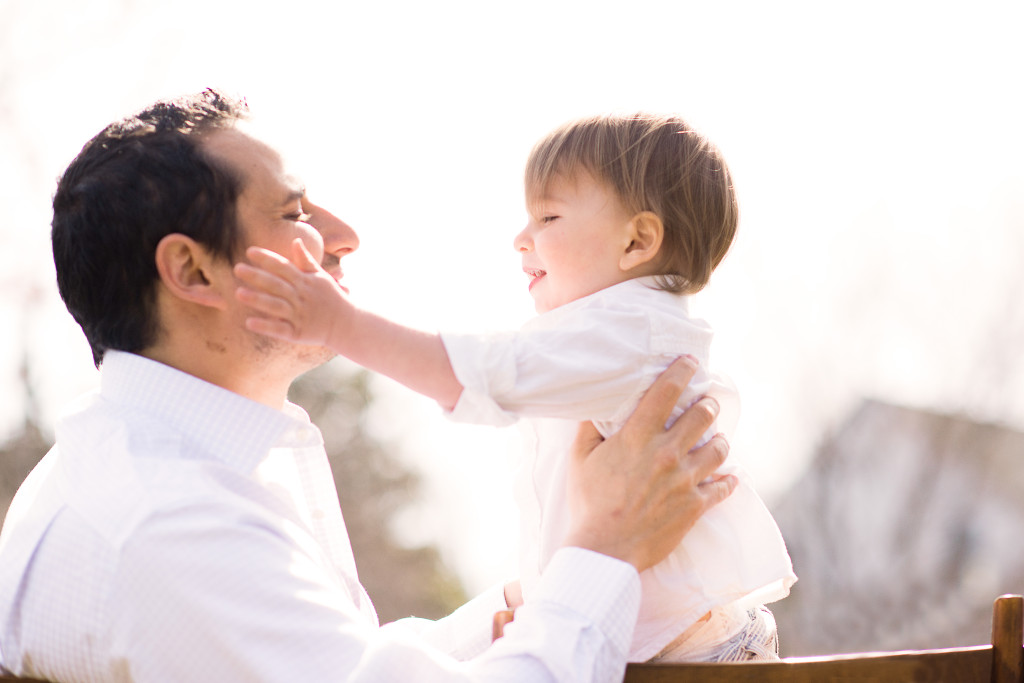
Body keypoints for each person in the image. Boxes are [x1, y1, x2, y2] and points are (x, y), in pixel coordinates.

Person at [0, 90, 737, 683]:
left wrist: (507, 617)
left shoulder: (154, 470)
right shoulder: (168, 523)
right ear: (193, 271)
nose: (344, 233)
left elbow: (344, 666)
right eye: (294, 213)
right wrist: (605, 550)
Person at [234, 113, 797, 663]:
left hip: (696, 654)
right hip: (669, 644)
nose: (520, 239)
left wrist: (341, 323)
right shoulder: (622, 336)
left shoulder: (629, 331)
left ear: (637, 241)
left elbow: (477, 374)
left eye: (548, 218)